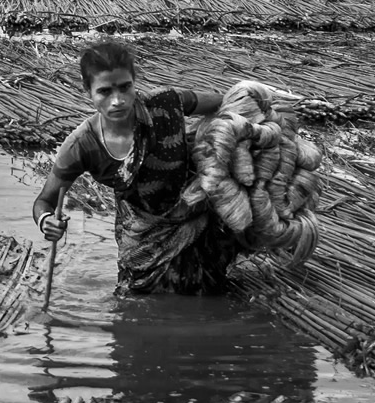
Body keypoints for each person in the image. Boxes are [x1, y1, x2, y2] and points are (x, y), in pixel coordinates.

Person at [33, 39, 237, 295]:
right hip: (141, 236)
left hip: (196, 216)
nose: (117, 100)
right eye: (105, 91)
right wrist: (46, 221)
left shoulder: (166, 102)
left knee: (206, 290)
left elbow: (226, 104)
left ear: (134, 83)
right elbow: (44, 201)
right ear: (88, 91)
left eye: (125, 88)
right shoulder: (82, 145)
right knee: (138, 298)